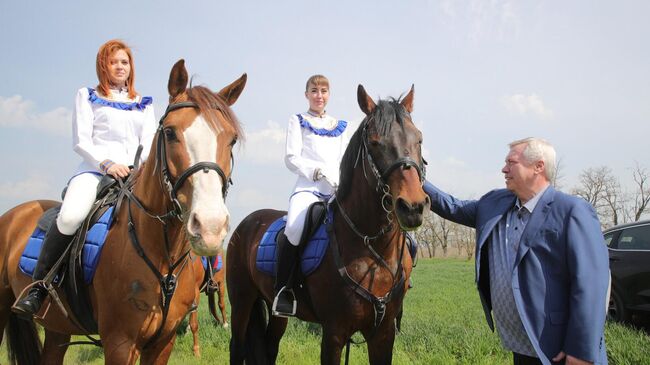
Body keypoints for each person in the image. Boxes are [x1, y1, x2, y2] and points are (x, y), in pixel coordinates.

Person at [424, 138, 609, 365]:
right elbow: (452, 206)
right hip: (521, 346)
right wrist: (413, 174)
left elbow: (591, 284)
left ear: (538, 167)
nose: (504, 168)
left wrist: (580, 350)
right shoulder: (494, 203)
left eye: (511, 162)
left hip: (558, 349)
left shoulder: (572, 211)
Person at [12, 39, 156, 318]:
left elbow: (149, 141)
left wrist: (139, 167)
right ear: (104, 65)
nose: (120, 66)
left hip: (134, 174)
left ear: (131, 67)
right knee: (70, 217)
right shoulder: (87, 95)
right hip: (94, 170)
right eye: (114, 61)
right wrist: (107, 164)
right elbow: (81, 141)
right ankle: (39, 287)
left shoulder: (144, 103)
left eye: (124, 62)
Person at [272, 75, 350, 317]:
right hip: (308, 187)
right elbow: (291, 157)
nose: (319, 95)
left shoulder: (340, 126)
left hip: (336, 190)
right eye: (314, 90)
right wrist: (315, 171)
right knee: (294, 228)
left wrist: (342, 180)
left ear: (329, 95)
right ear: (306, 94)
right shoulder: (297, 121)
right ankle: (284, 289)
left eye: (324, 91)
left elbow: (344, 160)